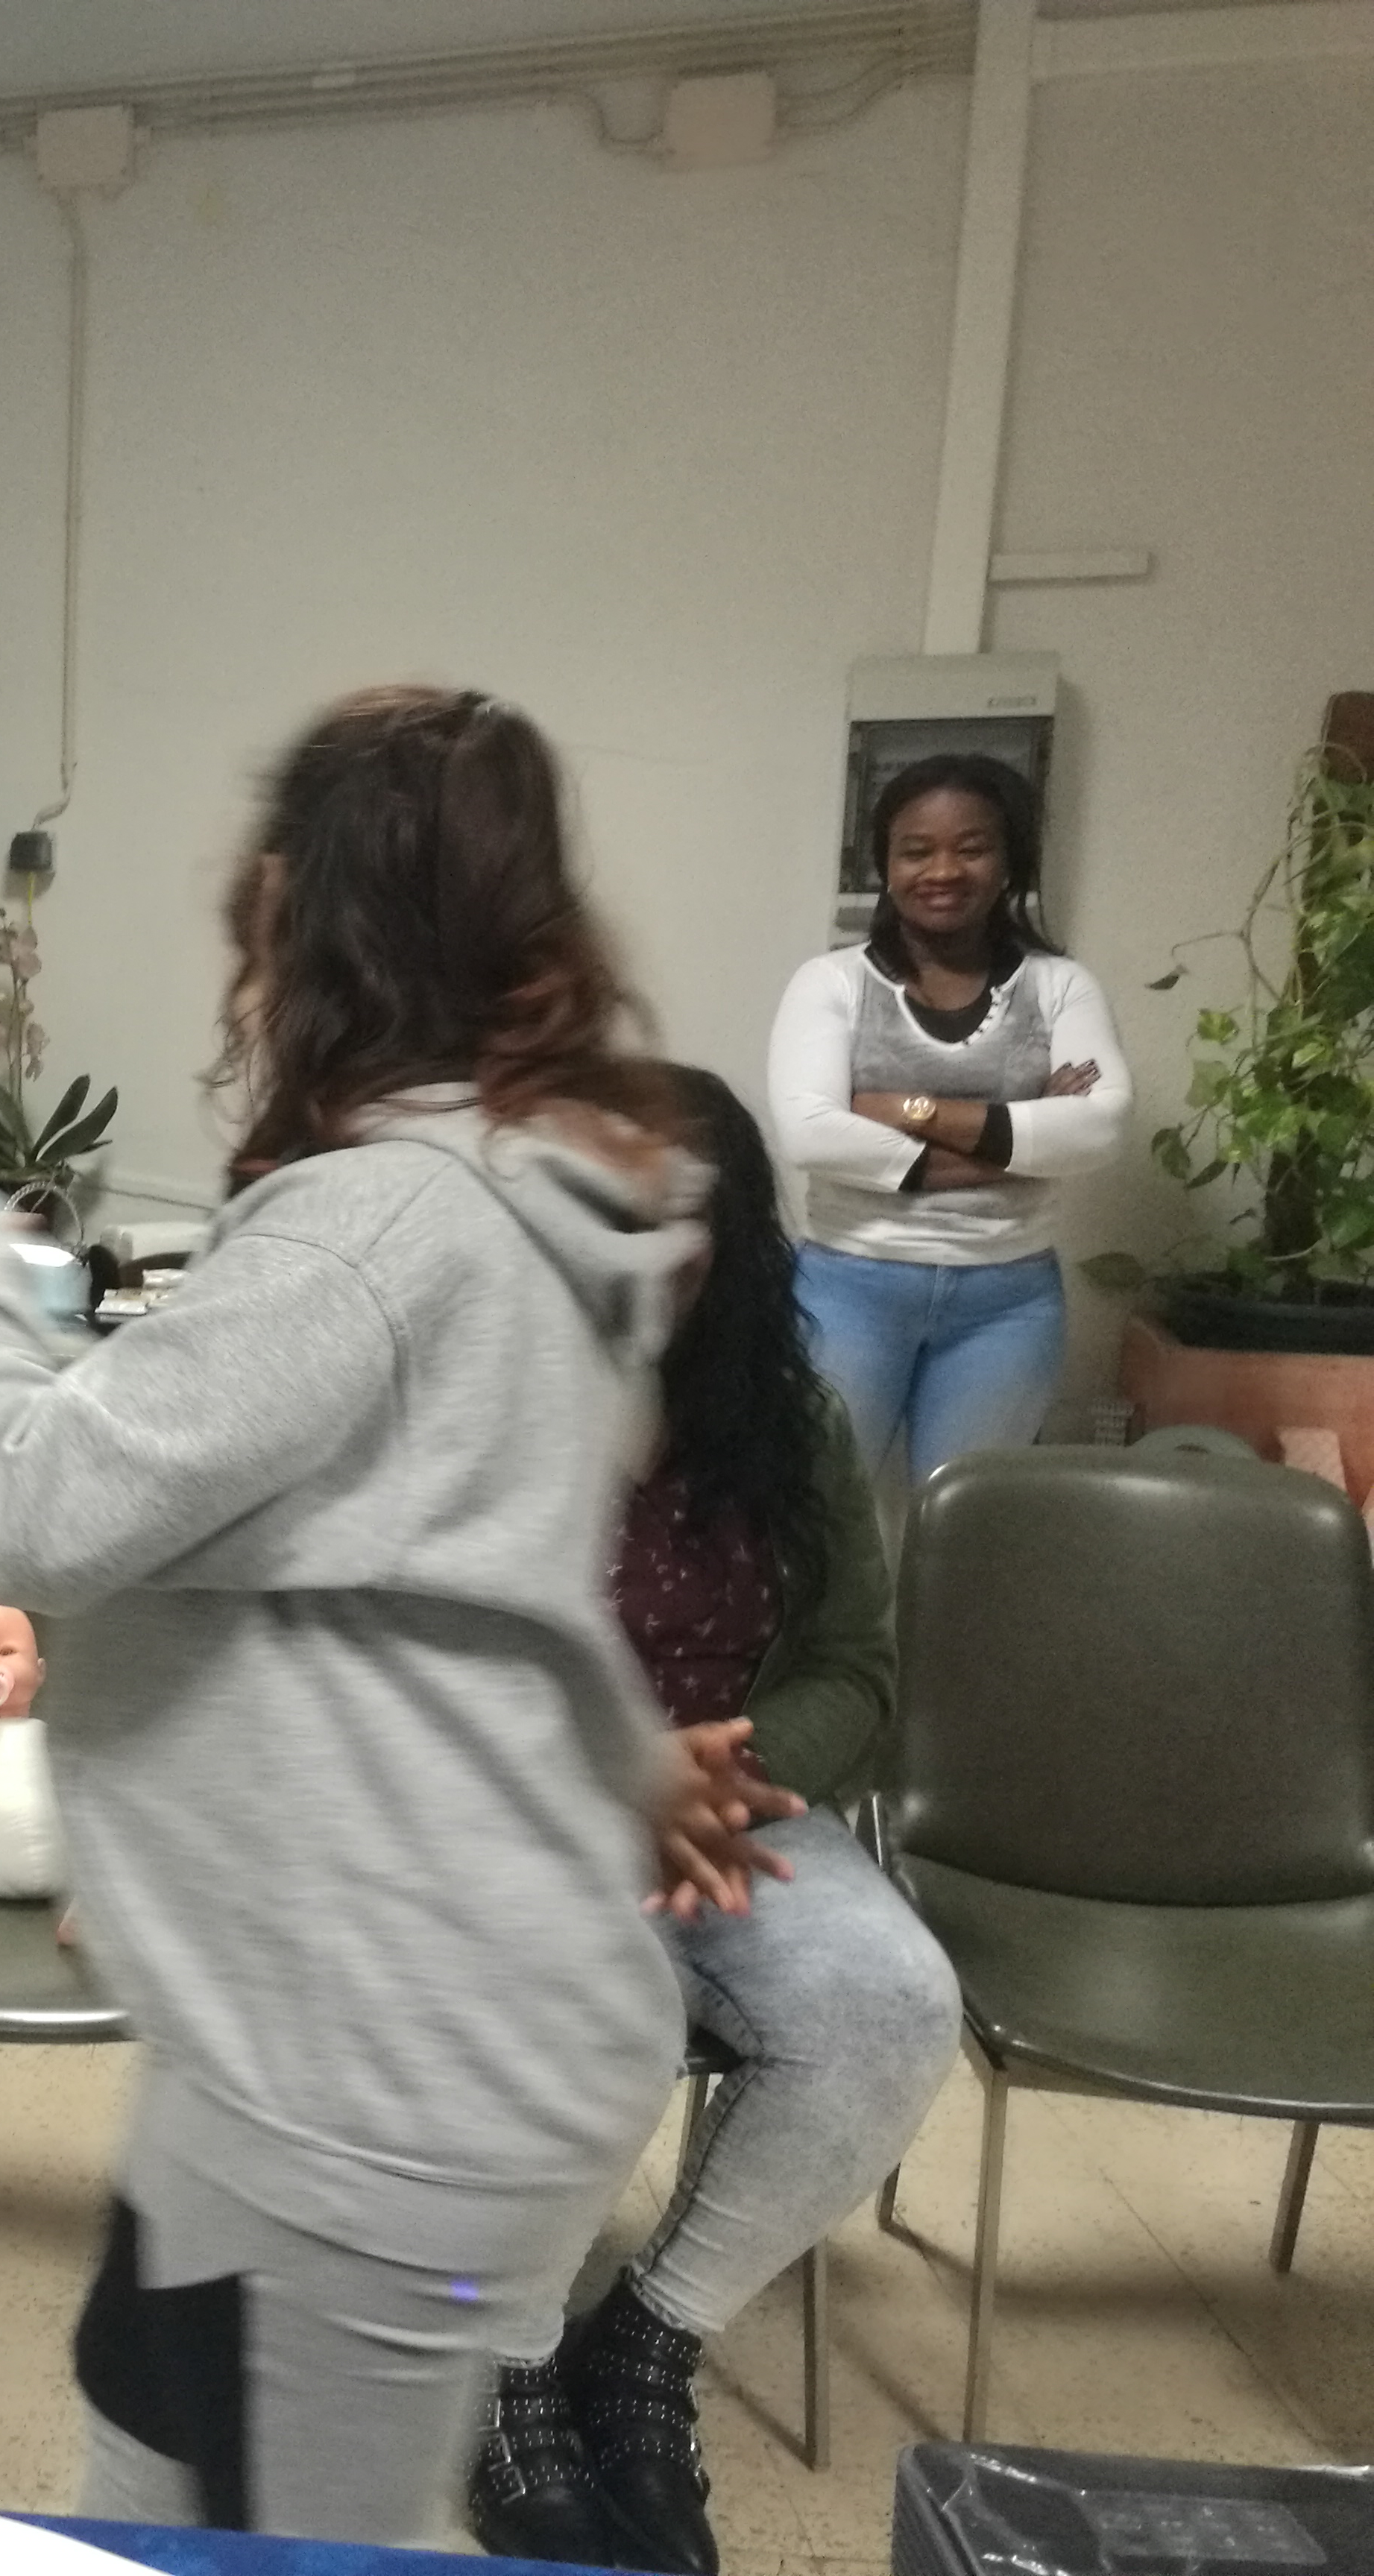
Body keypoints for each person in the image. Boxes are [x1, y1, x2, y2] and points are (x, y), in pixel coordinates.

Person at [0, 686, 788, 2544]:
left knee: (294, 2531)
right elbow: (486, 1584)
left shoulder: (378, 1232)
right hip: (305, 2045)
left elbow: (26, 1508)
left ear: (287, 912)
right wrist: (618, 1760)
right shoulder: (517, 1200)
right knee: (150, 2437)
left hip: (378, 2096)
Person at [469, 1067, 961, 2576]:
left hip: (736, 1803)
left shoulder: (789, 1419)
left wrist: (722, 1776)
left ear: (729, 1237)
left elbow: (852, 1671)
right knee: (599, 2011)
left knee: (892, 2003)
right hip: (516, 1815)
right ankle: (503, 2360)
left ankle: (648, 2337)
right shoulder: (474, 1400)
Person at [766, 754, 1129, 1481]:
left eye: (971, 848)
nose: (943, 870)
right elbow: (810, 1133)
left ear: (1008, 862)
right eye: (916, 850)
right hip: (849, 1287)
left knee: (965, 1519)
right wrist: (1028, 1136)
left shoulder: (1061, 986)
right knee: (826, 1514)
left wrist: (901, 1110)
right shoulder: (831, 982)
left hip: (1008, 1303)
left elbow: (1099, 1129)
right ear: (885, 865)